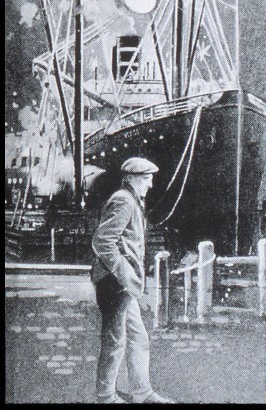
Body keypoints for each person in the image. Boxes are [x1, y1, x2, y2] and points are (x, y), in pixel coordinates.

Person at [91, 157, 175, 404]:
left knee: (137, 337)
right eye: (147, 179)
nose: (150, 185)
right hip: (115, 282)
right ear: (132, 178)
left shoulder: (131, 199)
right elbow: (102, 241)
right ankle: (106, 396)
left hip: (123, 284)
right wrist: (125, 274)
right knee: (116, 341)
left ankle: (141, 392)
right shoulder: (123, 200)